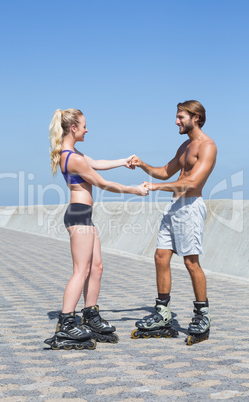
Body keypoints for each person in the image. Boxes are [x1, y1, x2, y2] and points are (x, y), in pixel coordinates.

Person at [44, 108, 148, 350]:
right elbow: (101, 183)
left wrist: (124, 161)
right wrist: (134, 190)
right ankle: (66, 323)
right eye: (84, 125)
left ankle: (89, 316)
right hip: (78, 215)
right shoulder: (73, 158)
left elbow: (98, 164)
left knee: (97, 267)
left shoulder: (73, 154)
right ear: (73, 128)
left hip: (85, 216)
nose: (86, 129)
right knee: (81, 271)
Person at [130, 100, 217, 345]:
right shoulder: (185, 145)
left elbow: (192, 183)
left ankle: (203, 315)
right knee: (160, 257)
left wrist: (156, 187)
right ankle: (163, 314)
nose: (176, 121)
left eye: (181, 117)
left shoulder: (208, 146)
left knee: (191, 262)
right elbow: (166, 171)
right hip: (174, 207)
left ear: (196, 117)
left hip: (190, 207)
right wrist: (143, 165)